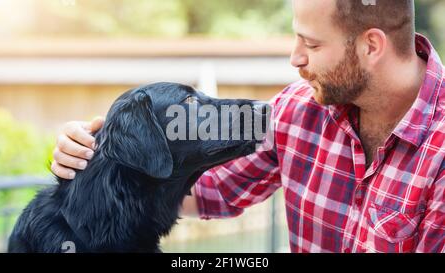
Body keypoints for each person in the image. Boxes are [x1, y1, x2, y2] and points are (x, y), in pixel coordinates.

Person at [50, 0, 444, 253]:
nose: (295, 58)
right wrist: (95, 160)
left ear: (371, 46)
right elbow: (206, 192)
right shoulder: (295, 111)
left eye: (312, 45)